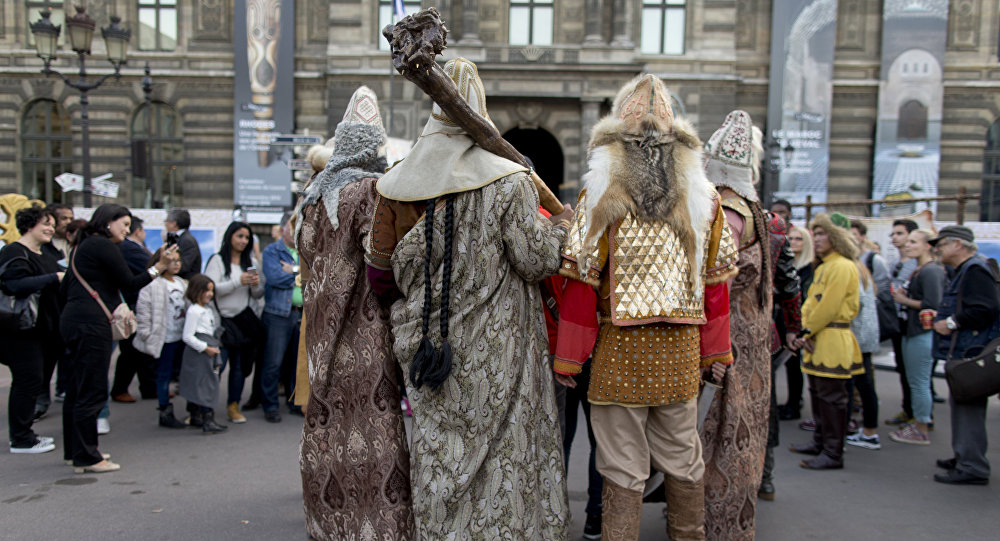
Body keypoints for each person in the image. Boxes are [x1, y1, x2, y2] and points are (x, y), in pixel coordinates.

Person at [367, 58, 571, 538]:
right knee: (506, 454)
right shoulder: (510, 181)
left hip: (430, 352)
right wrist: (561, 226)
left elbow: (380, 274)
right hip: (503, 354)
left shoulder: (396, 185)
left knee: (442, 452)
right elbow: (537, 260)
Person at [555, 74, 737, 541]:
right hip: (680, 350)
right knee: (682, 454)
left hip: (619, 348)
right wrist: (717, 352)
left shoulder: (600, 194)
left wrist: (570, 356)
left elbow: (580, 283)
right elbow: (716, 286)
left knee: (621, 462)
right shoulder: (706, 200)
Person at [297, 86, 413, 541]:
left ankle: (328, 524)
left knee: (327, 426)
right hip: (364, 330)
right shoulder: (369, 191)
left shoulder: (311, 198)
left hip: (319, 334)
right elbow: (382, 258)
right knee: (373, 429)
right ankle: (379, 529)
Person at [699, 111, 773, 540]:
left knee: (724, 441)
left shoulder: (727, 210)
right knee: (739, 438)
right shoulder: (753, 209)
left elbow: (715, 281)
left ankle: (717, 528)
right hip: (751, 346)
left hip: (730, 349)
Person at [60, 204, 178, 473]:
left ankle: (76, 451)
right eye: (124, 224)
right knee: (91, 390)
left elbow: (68, 287)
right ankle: (89, 457)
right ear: (107, 222)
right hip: (91, 325)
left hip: (75, 321)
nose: (127, 230)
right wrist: (159, 267)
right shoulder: (103, 246)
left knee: (77, 389)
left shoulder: (84, 245)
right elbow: (129, 282)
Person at [789, 213, 862, 470]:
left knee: (832, 399)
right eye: (816, 234)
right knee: (819, 395)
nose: (816, 239)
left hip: (831, 338)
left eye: (822, 234)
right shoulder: (826, 266)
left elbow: (828, 307)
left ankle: (833, 452)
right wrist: (805, 331)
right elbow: (811, 303)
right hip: (818, 337)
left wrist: (805, 332)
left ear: (836, 236)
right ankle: (820, 442)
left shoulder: (842, 266)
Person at [929, 225, 998, 485]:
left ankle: (973, 466)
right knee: (962, 404)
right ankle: (965, 456)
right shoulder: (970, 269)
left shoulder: (974, 270)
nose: (938, 248)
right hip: (968, 349)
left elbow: (985, 309)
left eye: (942, 243)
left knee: (968, 406)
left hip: (971, 350)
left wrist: (951, 323)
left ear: (959, 244)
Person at [1, 205, 64, 453]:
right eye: (45, 224)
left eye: (51, 224)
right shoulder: (13, 252)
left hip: (43, 331)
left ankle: (25, 433)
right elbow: (14, 284)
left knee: (35, 381)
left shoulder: (45, 253)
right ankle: (20, 439)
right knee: (27, 381)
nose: (51, 228)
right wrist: (54, 278)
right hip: (20, 330)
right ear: (29, 225)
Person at [888, 229, 945, 446]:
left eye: (913, 241)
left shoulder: (931, 272)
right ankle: (919, 422)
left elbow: (933, 305)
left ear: (927, 245)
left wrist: (903, 300)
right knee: (916, 381)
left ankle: (921, 427)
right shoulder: (921, 269)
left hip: (921, 333)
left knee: (919, 381)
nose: (907, 245)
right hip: (913, 331)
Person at [204, 221, 264, 425]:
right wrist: (239, 281)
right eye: (239, 236)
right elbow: (211, 289)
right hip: (222, 323)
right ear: (230, 236)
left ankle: (233, 406)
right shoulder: (218, 260)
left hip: (243, 322)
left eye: (247, 237)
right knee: (217, 368)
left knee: (239, 368)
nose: (243, 241)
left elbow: (257, 294)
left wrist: (255, 285)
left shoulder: (251, 261)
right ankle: (205, 408)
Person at [133, 247, 188, 429]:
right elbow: (143, 313)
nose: (176, 264)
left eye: (178, 260)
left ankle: (192, 409)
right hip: (164, 338)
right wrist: (147, 335)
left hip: (182, 337)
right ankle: (164, 410)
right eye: (172, 260)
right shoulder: (152, 286)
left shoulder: (182, 283)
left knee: (182, 373)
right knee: (163, 375)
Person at [260, 212, 301, 423]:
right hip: (278, 315)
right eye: (291, 226)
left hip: (301, 314)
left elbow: (316, 274)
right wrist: (301, 275)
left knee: (297, 363)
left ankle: (294, 402)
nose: (295, 231)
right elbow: (275, 278)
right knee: (273, 363)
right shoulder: (272, 251)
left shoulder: (305, 250)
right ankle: (270, 405)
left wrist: (293, 270)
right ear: (283, 228)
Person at [111, 217, 158, 403]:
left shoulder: (130, 247)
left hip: (137, 304)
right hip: (132, 305)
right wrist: (161, 265)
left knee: (140, 351)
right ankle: (120, 389)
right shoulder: (129, 248)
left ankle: (148, 387)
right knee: (131, 351)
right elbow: (149, 269)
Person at [178, 274, 226, 433]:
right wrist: (206, 347)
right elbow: (187, 336)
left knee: (203, 384)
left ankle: (197, 416)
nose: (209, 294)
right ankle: (207, 419)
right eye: (206, 290)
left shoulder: (207, 309)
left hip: (208, 351)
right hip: (200, 354)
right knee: (205, 386)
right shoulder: (194, 311)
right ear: (196, 291)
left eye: (211, 291)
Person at [844, 253, 882, 451]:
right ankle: (869, 430)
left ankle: (867, 431)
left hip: (856, 335)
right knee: (865, 385)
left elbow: (853, 304)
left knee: (855, 385)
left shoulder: (849, 268)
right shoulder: (861, 268)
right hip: (865, 335)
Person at [886, 218, 919, 425]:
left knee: (914, 374)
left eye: (900, 233)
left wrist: (904, 300)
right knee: (903, 369)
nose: (895, 238)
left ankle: (920, 417)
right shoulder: (897, 263)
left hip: (912, 325)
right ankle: (908, 410)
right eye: (893, 234)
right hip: (897, 321)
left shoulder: (918, 265)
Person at [780, 225, 814, 420]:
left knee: (794, 365)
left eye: (798, 239)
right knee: (789, 364)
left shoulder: (808, 269)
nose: (793, 242)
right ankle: (793, 401)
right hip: (786, 320)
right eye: (790, 238)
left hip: (799, 321)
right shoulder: (789, 264)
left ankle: (795, 403)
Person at [164, 209, 201, 279]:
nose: (165, 224)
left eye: (166, 221)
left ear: (174, 223)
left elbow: (184, 266)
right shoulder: (179, 238)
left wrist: (164, 267)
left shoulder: (187, 240)